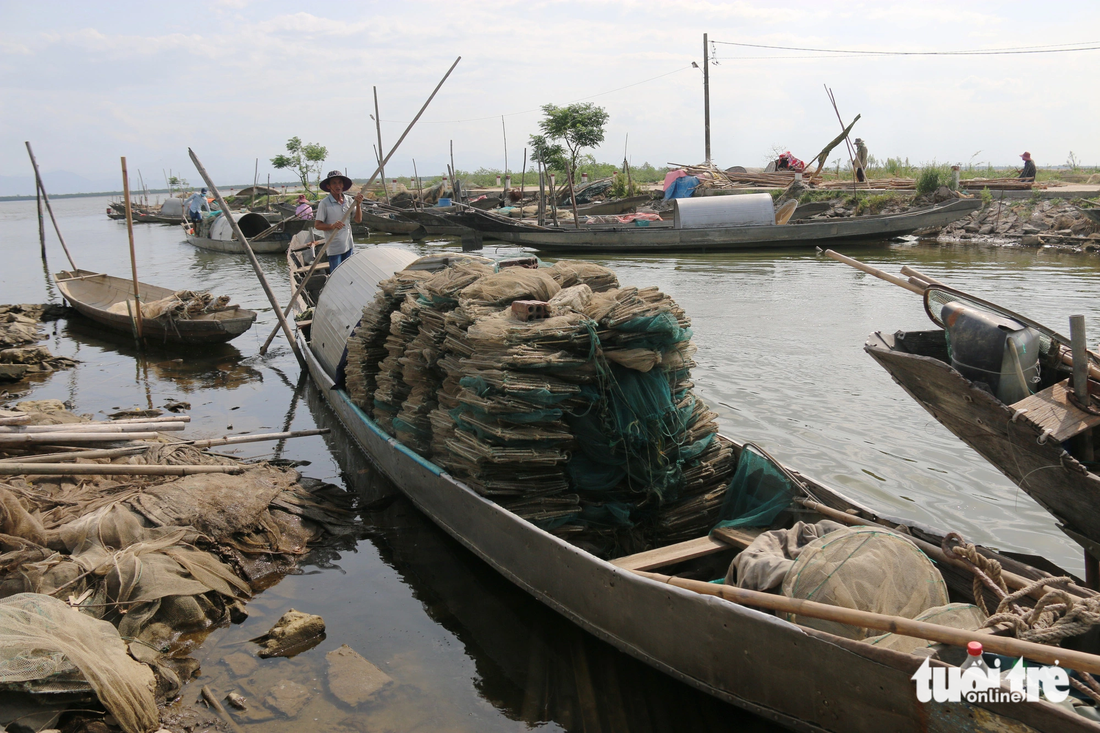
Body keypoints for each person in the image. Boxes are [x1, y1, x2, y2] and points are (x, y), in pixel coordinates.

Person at [314, 170, 362, 270]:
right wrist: (332, 226)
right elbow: (317, 225)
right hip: (334, 247)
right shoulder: (324, 203)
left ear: (343, 185)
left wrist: (358, 204)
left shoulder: (349, 200)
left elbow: (358, 220)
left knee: (348, 273)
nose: (338, 186)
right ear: (329, 186)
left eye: (340, 182)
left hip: (348, 244)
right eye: (334, 183)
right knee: (336, 274)